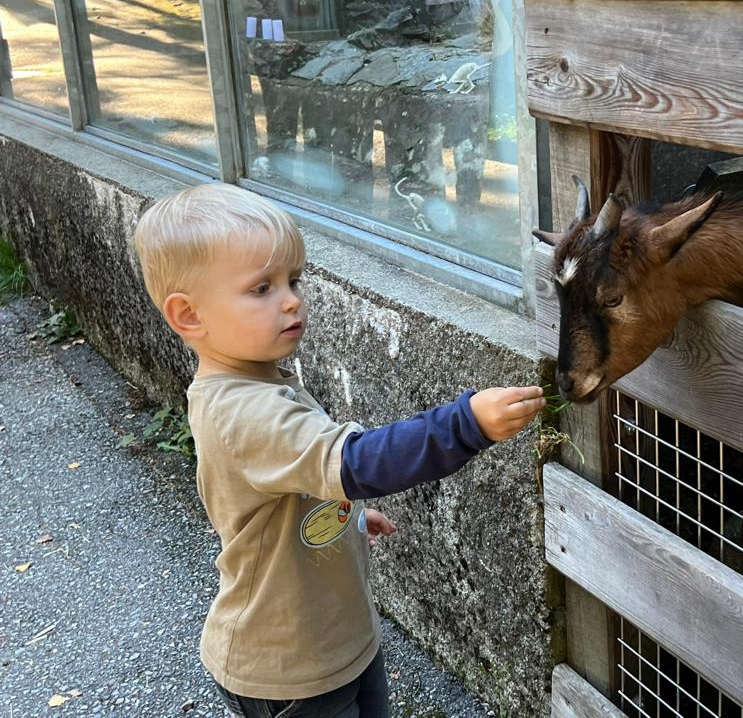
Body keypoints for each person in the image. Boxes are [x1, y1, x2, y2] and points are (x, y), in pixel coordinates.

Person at [132, 182, 545, 717]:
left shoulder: (258, 380)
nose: (291, 300)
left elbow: (295, 477)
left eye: (293, 280)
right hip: (288, 669)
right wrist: (465, 424)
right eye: (261, 288)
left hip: (337, 641)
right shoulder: (241, 409)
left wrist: (341, 514)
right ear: (189, 315)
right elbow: (358, 462)